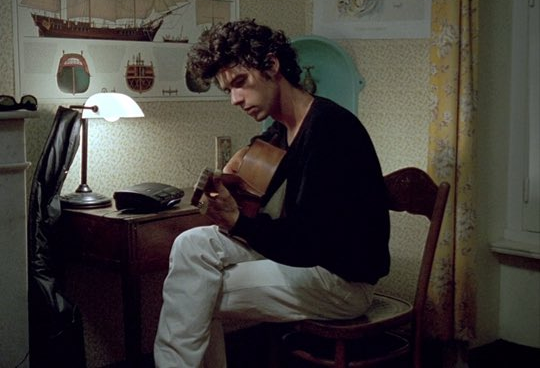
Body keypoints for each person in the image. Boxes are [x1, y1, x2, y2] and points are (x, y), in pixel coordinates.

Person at [154, 19, 390, 367]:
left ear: (271, 64)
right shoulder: (281, 131)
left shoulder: (331, 129)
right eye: (228, 90)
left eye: (240, 83)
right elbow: (259, 183)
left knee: (195, 295)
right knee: (190, 245)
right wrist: (232, 181)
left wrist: (238, 222)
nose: (235, 99)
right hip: (306, 261)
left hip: (342, 281)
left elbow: (308, 244)